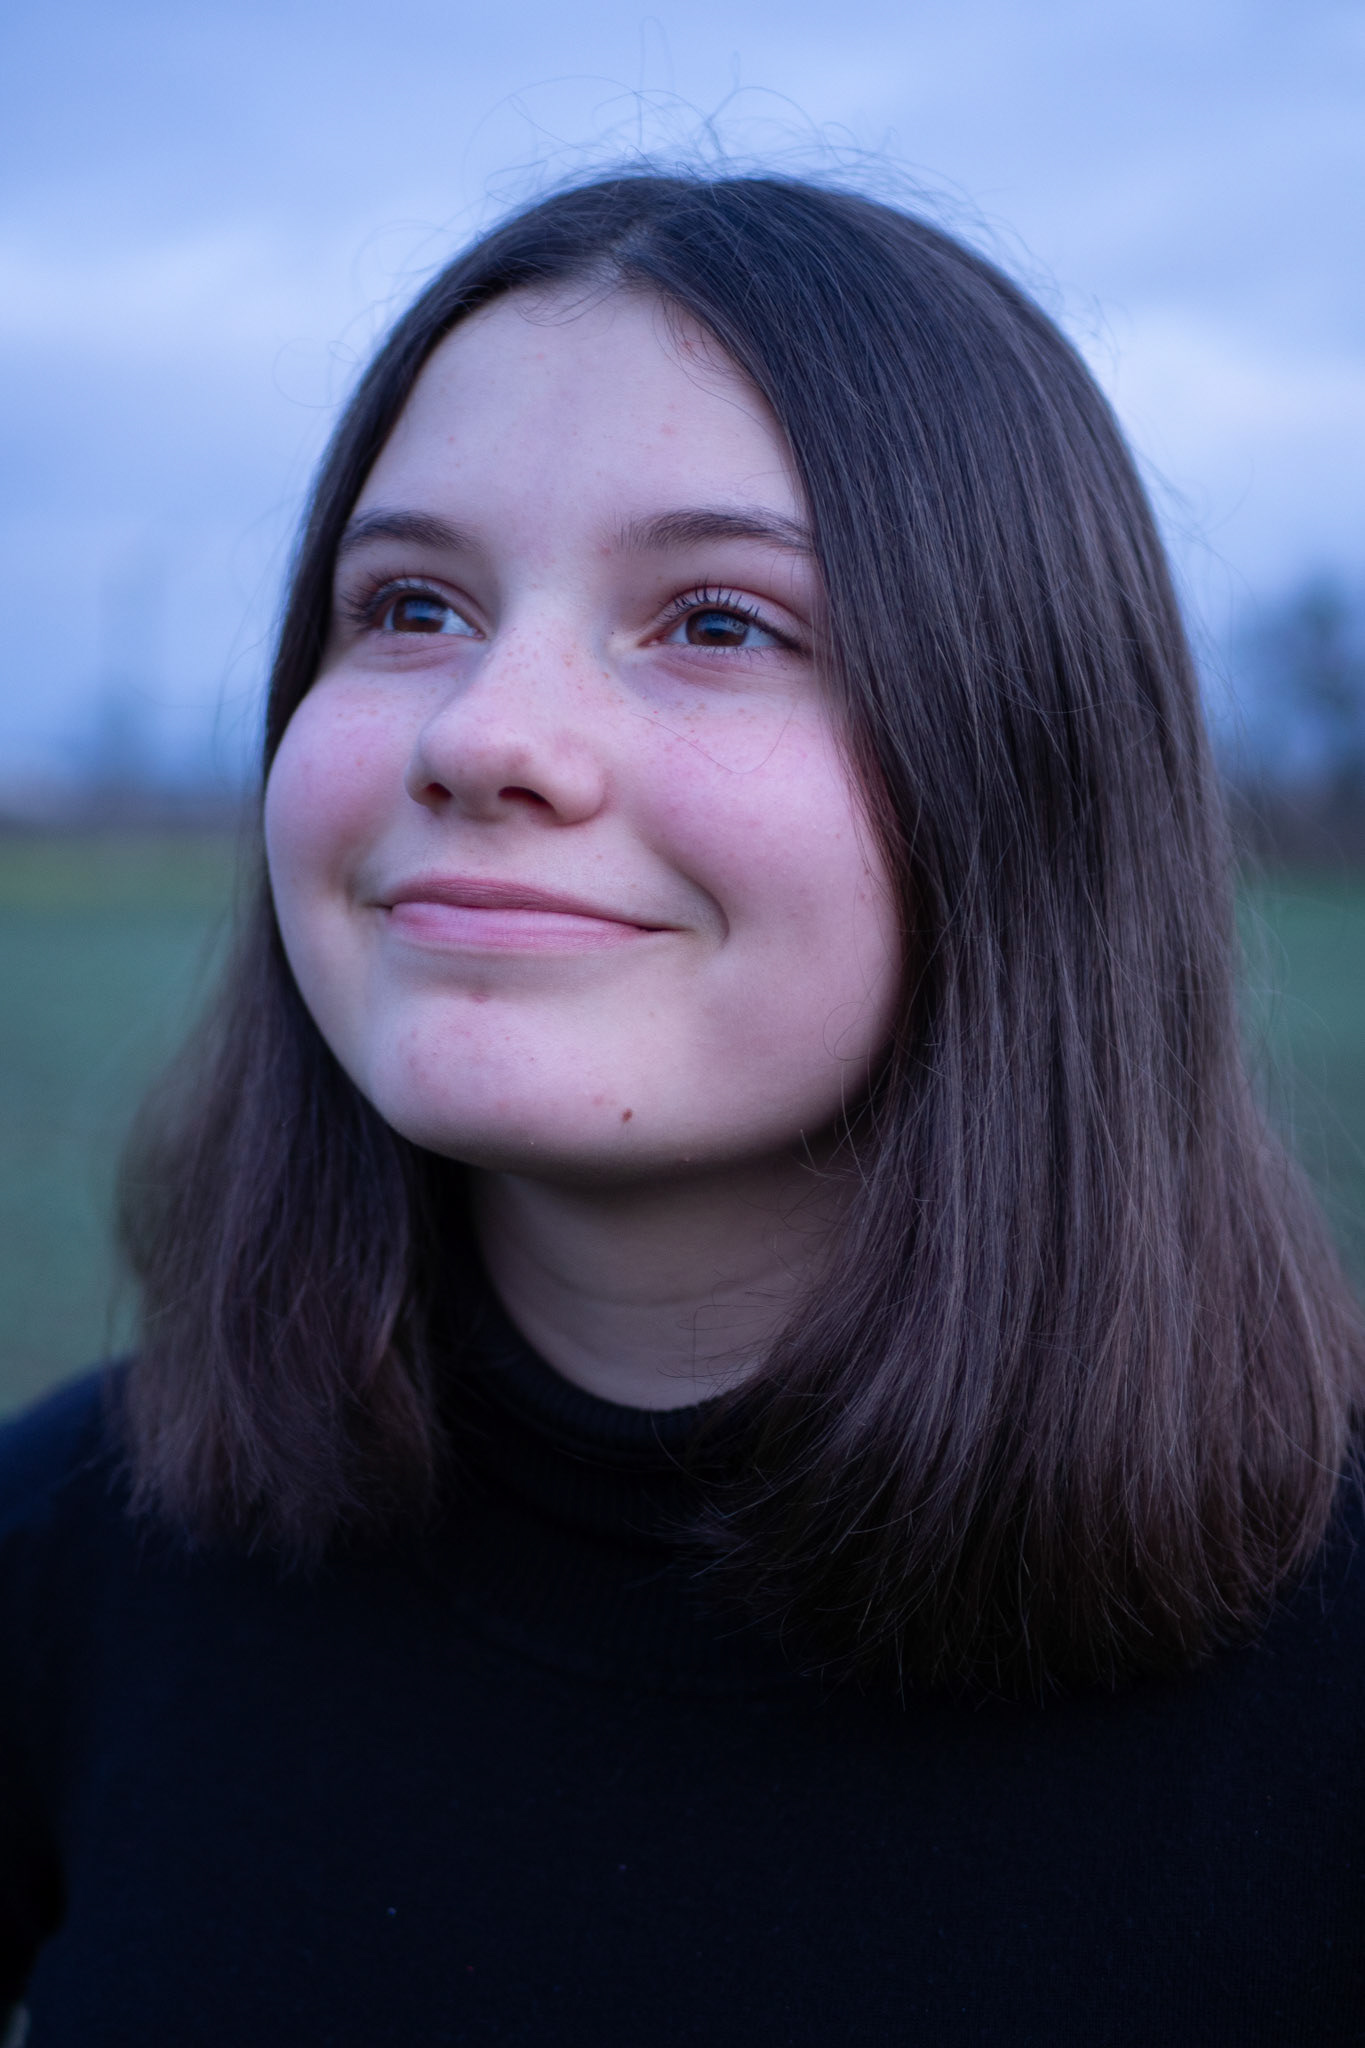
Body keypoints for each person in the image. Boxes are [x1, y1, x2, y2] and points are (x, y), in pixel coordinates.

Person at [1, 170, 1362, 2046]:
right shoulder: (71, 1557)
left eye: (717, 623)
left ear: (1031, 771)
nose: (482, 732)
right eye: (409, 605)